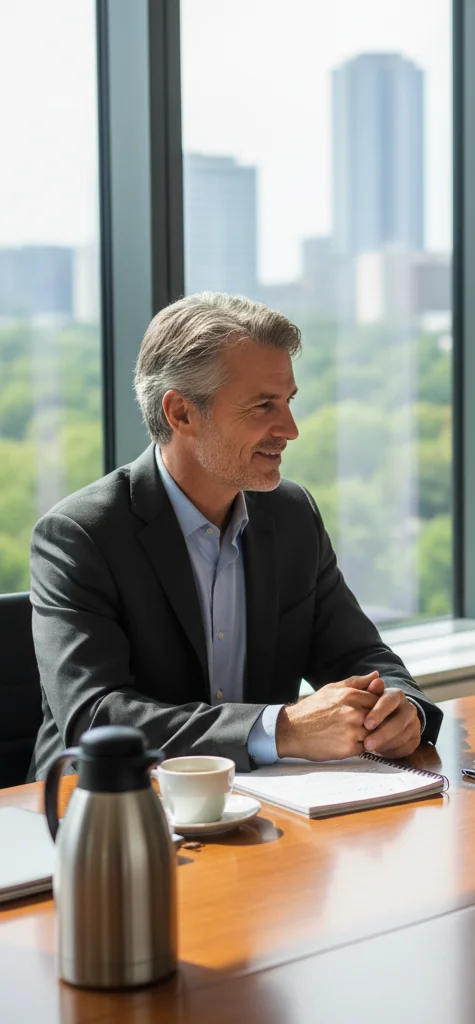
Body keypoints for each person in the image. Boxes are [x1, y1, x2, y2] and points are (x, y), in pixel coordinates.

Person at [30, 292, 442, 780]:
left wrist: (401, 710)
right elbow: (94, 718)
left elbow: (358, 655)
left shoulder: (292, 515)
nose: (289, 429)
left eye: (288, 401)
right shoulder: (80, 535)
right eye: (264, 405)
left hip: (264, 804)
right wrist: (281, 728)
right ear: (181, 413)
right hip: (112, 809)